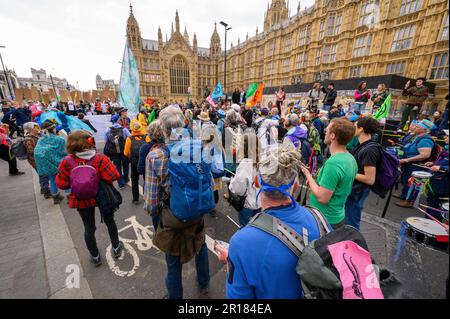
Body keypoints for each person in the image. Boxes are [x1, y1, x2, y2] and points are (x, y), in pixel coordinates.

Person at [225, 146, 323, 299]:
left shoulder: (241, 243)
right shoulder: (318, 219)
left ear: (257, 181)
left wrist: (234, 259)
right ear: (295, 185)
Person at [146, 107, 211, 299]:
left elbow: (151, 200)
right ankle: (204, 283)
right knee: (200, 244)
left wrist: (154, 213)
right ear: (184, 124)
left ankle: (175, 296)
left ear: (163, 129)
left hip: (173, 214)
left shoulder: (156, 156)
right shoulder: (198, 147)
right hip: (198, 207)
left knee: (173, 259)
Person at [56, 130, 123, 267]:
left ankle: (95, 256)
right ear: (89, 142)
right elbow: (113, 176)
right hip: (102, 195)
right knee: (110, 222)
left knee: (89, 227)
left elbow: (61, 184)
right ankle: (116, 247)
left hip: (81, 198)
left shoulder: (67, 162)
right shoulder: (100, 158)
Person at [302, 118, 358, 229]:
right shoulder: (350, 158)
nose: (325, 132)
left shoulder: (333, 163)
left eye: (327, 131)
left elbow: (323, 198)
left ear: (332, 136)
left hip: (324, 219)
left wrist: (308, 175)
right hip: (336, 216)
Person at [345, 117, 380, 229]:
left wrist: (349, 172)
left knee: (351, 223)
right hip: (355, 190)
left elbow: (370, 179)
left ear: (361, 129)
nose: (353, 128)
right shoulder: (364, 145)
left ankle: (353, 243)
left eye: (355, 126)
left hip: (358, 191)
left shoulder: (369, 150)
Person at [395, 119, 436, 208]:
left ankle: (409, 201)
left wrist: (407, 160)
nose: (415, 128)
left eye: (418, 127)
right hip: (409, 164)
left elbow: (425, 155)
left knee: (413, 184)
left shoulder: (425, 139)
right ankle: (404, 196)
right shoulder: (416, 136)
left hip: (416, 165)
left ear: (424, 130)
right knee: (406, 180)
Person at [229, 133, 261, 226]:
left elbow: (238, 189)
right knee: (256, 228)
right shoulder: (262, 161)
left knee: (245, 227)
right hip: (260, 202)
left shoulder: (245, 164)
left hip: (248, 204)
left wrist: (231, 182)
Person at [34, 120, 67, 204]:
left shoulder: (41, 139)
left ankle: (55, 197)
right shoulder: (59, 139)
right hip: (60, 163)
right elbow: (64, 152)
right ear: (53, 129)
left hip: (47, 164)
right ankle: (70, 196)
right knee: (66, 179)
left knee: (52, 180)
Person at [424, 129, 449, 221]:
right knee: (430, 205)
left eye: (447, 136)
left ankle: (433, 229)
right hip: (435, 182)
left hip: (444, 185)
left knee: (436, 209)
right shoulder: (446, 148)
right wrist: (433, 163)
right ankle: (427, 223)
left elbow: (445, 166)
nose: (445, 137)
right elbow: (443, 162)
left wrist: (441, 168)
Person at [124, 120, 150, 204]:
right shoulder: (146, 137)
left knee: (134, 179)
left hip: (134, 162)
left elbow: (126, 152)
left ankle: (135, 199)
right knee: (146, 179)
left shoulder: (129, 139)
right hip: (145, 161)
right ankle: (146, 196)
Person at [22, 122, 50, 198]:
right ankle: (46, 190)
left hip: (40, 159)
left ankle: (43, 188)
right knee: (43, 174)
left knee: (43, 174)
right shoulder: (28, 139)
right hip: (35, 160)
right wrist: (43, 149)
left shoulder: (37, 135)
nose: (38, 128)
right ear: (31, 129)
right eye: (36, 127)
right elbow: (30, 151)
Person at [105, 114, 131, 189]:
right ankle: (126, 179)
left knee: (117, 167)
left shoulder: (108, 130)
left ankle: (121, 184)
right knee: (126, 165)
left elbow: (106, 141)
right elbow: (130, 138)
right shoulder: (124, 129)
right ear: (119, 120)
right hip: (124, 151)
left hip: (114, 152)